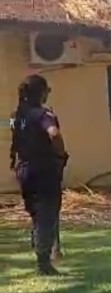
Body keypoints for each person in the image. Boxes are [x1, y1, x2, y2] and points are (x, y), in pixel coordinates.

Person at [10, 74, 68, 275]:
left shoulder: (18, 116)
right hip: (44, 170)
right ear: (40, 92)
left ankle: (42, 252)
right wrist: (60, 153)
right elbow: (54, 133)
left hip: (25, 170)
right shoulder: (44, 115)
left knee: (36, 213)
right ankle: (44, 261)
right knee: (47, 214)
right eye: (46, 90)